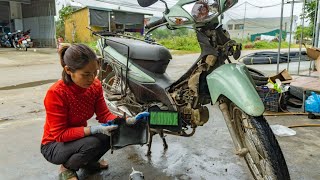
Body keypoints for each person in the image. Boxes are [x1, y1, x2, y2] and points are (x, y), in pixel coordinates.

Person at [40, 44, 149, 180]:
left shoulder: (95, 86)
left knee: (114, 132)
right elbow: (60, 134)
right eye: (86, 74)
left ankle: (88, 162)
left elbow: (104, 115)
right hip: (54, 145)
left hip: (77, 138)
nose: (91, 79)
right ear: (68, 70)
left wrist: (126, 120)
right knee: (92, 143)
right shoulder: (56, 93)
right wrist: (93, 129)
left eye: (95, 72)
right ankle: (67, 169)